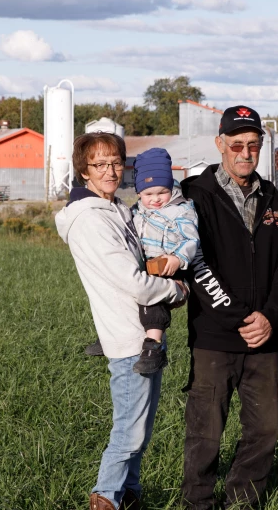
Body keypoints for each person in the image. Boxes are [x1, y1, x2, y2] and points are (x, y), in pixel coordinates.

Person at [55, 132, 188, 510]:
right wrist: (176, 291)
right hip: (127, 337)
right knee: (129, 432)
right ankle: (106, 498)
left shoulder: (116, 209)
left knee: (140, 430)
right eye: (100, 164)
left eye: (115, 162)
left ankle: (129, 496)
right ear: (84, 171)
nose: (110, 171)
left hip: (142, 333)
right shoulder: (90, 220)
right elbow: (133, 282)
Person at [180, 105, 278, 510]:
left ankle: (243, 501)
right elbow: (195, 263)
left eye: (253, 144)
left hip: (265, 337)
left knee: (265, 429)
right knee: (205, 432)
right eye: (236, 145)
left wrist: (271, 316)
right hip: (214, 336)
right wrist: (238, 317)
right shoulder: (195, 196)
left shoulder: (274, 197)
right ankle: (198, 503)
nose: (246, 153)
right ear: (220, 144)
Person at [130, 147, 200, 374]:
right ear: (139, 192)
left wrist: (178, 258)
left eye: (162, 192)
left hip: (170, 269)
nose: (156, 199)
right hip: (145, 267)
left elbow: (191, 239)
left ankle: (154, 347)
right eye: (148, 194)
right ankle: (110, 336)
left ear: (171, 187)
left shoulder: (181, 211)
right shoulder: (136, 211)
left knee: (153, 300)